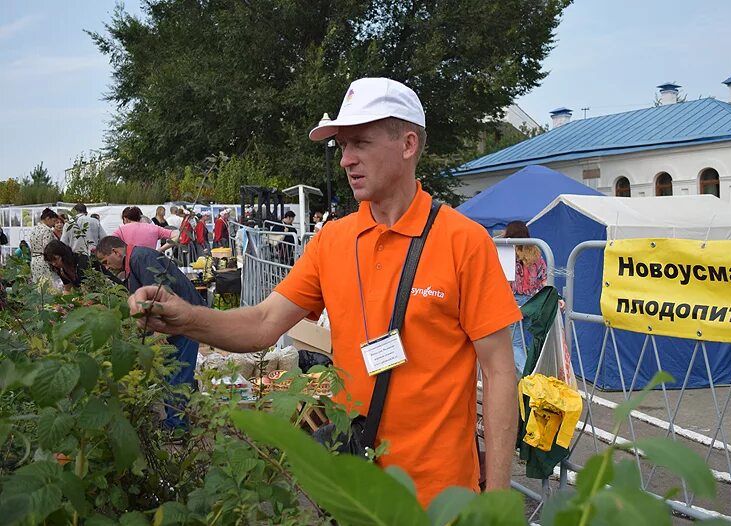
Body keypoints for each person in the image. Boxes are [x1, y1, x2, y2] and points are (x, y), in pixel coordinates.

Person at [127, 77, 520, 506]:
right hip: (353, 491)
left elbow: (499, 371)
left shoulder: (463, 241)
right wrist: (186, 317)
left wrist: (497, 504)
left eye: (360, 143)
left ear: (408, 144)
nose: (346, 160)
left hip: (441, 498)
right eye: (342, 146)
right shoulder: (333, 241)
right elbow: (262, 323)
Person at [96, 235, 206, 428]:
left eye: (106, 262)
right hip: (177, 321)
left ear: (116, 252)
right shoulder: (135, 261)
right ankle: (178, 423)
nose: (107, 267)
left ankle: (177, 429)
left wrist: (158, 334)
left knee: (178, 376)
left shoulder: (141, 258)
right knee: (173, 373)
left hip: (186, 319)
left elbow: (160, 296)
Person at [502, 221, 548, 378]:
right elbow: (543, 279)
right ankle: (521, 384)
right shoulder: (536, 251)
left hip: (514, 301)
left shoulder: (509, 253)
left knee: (515, 344)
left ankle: (528, 378)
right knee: (524, 342)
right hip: (533, 302)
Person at [30, 208, 59, 284]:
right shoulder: (47, 230)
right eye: (53, 221)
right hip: (44, 261)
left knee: (38, 285)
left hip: (34, 260)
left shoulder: (34, 229)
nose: (54, 225)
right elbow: (48, 248)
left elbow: (31, 247)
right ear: (47, 218)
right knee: (47, 286)